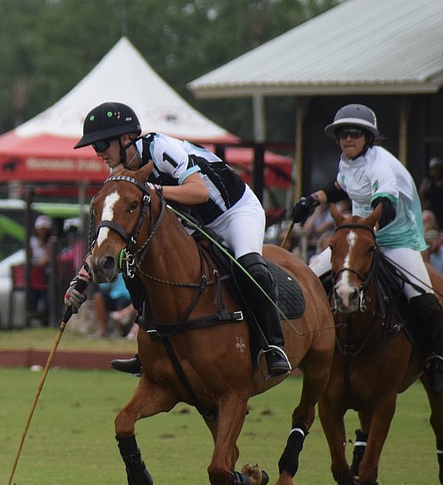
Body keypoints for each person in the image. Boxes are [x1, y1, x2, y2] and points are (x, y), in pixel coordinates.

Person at [65, 101, 291, 379]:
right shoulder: (119, 174)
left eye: (101, 145)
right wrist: (82, 279)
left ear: (125, 139)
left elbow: (199, 193)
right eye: (95, 147)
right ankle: (148, 349)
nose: (98, 153)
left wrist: (153, 189)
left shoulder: (161, 148)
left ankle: (272, 345)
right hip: (194, 222)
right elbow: (112, 233)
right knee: (139, 267)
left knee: (250, 268)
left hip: (234, 211)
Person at [291, 103, 443, 394]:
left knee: (423, 297)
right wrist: (313, 199)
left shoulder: (381, 164)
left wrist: (367, 233)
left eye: (354, 134)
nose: (347, 139)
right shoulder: (348, 161)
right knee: (311, 276)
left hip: (395, 238)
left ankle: (436, 359)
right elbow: (340, 186)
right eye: (342, 134)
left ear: (368, 137)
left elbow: (385, 206)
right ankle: (309, 344)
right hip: (359, 236)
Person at [419, 156, 443, 240]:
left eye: (437, 169)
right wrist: (421, 193)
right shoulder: (429, 185)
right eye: (432, 169)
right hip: (433, 218)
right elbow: (425, 205)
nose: (435, 172)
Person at [28, 215, 53, 317]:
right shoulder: (32, 241)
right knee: (34, 296)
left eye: (44, 229)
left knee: (46, 297)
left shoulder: (51, 242)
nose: (42, 232)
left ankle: (45, 316)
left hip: (47, 274)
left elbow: (50, 257)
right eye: (40, 229)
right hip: (35, 275)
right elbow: (30, 256)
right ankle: (32, 314)